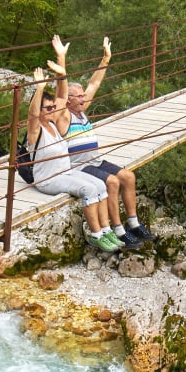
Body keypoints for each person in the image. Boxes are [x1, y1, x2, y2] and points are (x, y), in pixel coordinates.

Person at [24, 45, 137, 252]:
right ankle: (96, 235)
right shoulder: (36, 130)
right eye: (48, 108)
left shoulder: (52, 124)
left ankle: (107, 231)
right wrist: (39, 88)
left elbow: (61, 96)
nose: (53, 109)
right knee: (89, 189)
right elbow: (33, 114)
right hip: (49, 178)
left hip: (65, 172)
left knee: (101, 186)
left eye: (53, 107)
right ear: (40, 110)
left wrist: (61, 70)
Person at [60, 35, 150, 245]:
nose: (83, 98)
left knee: (128, 177)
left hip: (95, 160)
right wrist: (61, 62)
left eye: (83, 96)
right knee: (112, 182)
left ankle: (134, 223)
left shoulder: (81, 110)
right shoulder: (64, 116)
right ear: (68, 100)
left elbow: (95, 83)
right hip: (80, 166)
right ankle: (118, 230)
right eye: (78, 96)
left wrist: (105, 59)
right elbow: (61, 91)